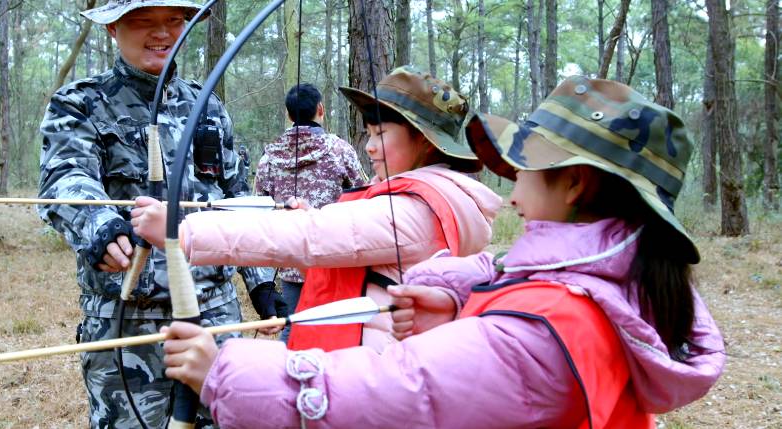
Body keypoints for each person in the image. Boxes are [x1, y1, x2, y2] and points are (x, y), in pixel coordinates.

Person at [155, 76, 726, 428]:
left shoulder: (542, 327)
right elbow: (502, 315)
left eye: (524, 169)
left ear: (575, 184)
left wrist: (223, 369)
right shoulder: (619, 284)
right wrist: (460, 304)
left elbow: (404, 393)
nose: (514, 188)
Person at [132, 67, 503, 352]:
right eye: (369, 135)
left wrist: (180, 231)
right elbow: (335, 231)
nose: (370, 147)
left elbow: (310, 236)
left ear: (423, 140)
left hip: (375, 369)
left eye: (380, 134)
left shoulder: (412, 210)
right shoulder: (437, 197)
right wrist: (311, 215)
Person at [37, 1, 280, 427]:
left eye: (173, 21)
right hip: (130, 324)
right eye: (142, 21)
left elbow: (234, 198)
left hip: (213, 316)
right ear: (113, 28)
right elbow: (65, 178)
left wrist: (261, 283)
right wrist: (100, 226)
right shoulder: (80, 103)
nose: (162, 33)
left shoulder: (207, 106)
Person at [254, 83, 367, 342]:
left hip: (292, 258)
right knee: (339, 329)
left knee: (294, 326)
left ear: (289, 114)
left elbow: (262, 207)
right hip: (335, 258)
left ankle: (289, 377)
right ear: (321, 109)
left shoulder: (269, 157)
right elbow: (365, 195)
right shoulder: (339, 150)